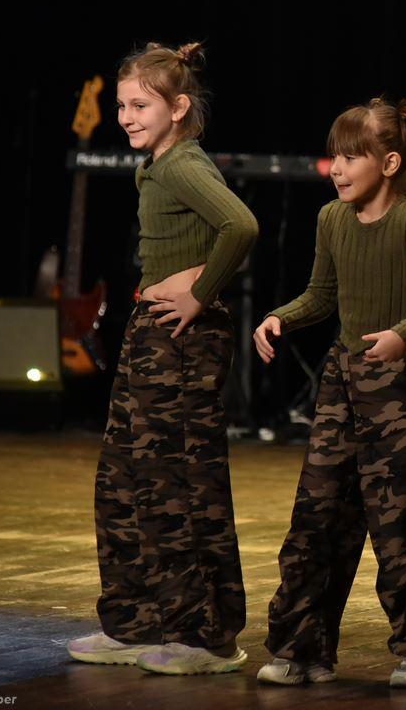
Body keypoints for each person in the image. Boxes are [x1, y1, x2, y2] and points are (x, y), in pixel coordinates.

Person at [253, 98, 406, 689]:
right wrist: (282, 316)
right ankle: (303, 648)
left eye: (351, 157)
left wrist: (403, 334)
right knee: (317, 514)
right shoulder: (332, 219)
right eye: (333, 157)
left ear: (389, 163)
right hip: (341, 381)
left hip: (399, 384)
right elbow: (322, 294)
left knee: (405, 523)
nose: (337, 169)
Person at [67, 42, 259, 676]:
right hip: (151, 331)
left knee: (178, 483)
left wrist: (200, 293)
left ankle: (207, 635)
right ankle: (136, 620)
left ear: (178, 108)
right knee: (124, 479)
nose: (126, 116)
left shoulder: (182, 165)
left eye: (140, 105)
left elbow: (241, 226)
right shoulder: (154, 167)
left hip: (183, 338)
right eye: (122, 105)